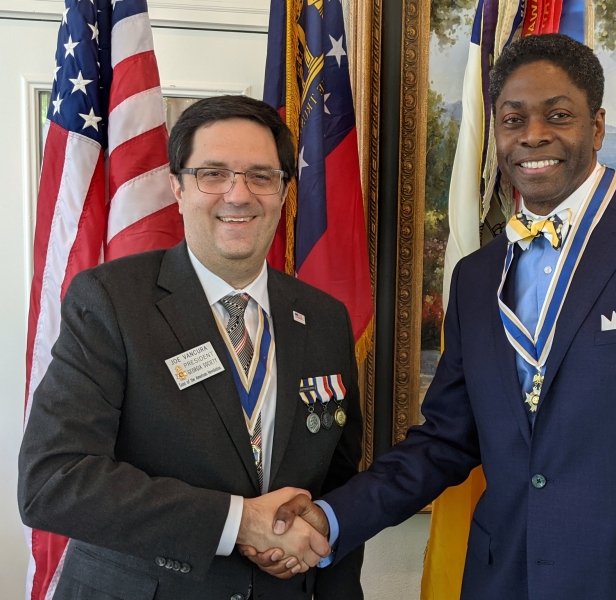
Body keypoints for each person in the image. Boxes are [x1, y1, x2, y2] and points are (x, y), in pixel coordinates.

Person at [252, 34, 616, 599]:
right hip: (503, 581)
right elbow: (447, 439)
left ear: (597, 127)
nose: (533, 135)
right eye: (513, 119)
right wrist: (330, 518)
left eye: (558, 115)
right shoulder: (477, 277)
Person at [18, 95, 364, 600]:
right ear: (177, 188)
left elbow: (339, 488)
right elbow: (53, 481)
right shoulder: (110, 301)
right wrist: (238, 521)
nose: (238, 195)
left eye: (261, 176)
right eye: (213, 174)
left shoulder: (326, 318)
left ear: (284, 192)